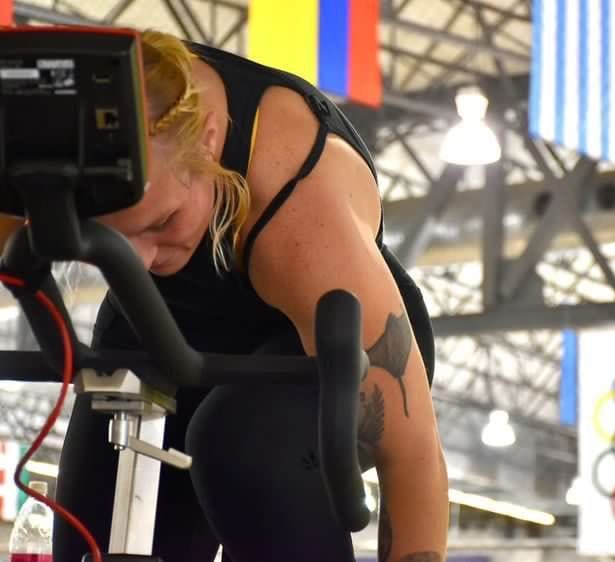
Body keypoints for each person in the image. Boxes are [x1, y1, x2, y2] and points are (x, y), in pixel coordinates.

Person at [49, 29, 449, 562]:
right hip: (161, 325)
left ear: (210, 140)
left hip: (322, 339)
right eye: (107, 237)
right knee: (89, 536)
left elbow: (413, 457)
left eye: (163, 221)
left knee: (240, 445)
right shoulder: (49, 154)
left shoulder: (298, 208)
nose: (138, 263)